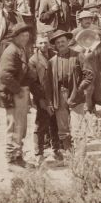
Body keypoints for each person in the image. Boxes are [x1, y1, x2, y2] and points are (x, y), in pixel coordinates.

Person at [0, 23, 48, 168]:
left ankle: (18, 156)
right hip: (12, 94)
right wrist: (18, 90)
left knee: (21, 127)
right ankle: (12, 160)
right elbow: (4, 75)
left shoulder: (20, 49)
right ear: (16, 37)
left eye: (27, 35)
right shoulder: (11, 51)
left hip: (19, 92)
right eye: (22, 35)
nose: (26, 38)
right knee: (14, 127)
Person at [47, 30, 92, 150]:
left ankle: (81, 157)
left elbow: (89, 75)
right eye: (58, 42)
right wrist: (50, 102)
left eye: (63, 41)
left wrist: (79, 89)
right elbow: (49, 84)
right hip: (59, 96)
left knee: (78, 127)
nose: (61, 44)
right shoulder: (52, 61)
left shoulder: (78, 55)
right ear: (55, 45)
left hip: (76, 95)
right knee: (63, 129)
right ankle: (69, 155)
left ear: (68, 42)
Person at [28, 34, 61, 165]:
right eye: (40, 43)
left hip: (56, 95)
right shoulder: (33, 60)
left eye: (46, 43)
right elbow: (33, 83)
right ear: (36, 44)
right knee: (41, 124)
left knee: (55, 123)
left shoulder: (55, 54)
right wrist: (41, 99)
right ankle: (39, 153)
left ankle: (56, 149)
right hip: (42, 96)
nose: (43, 45)